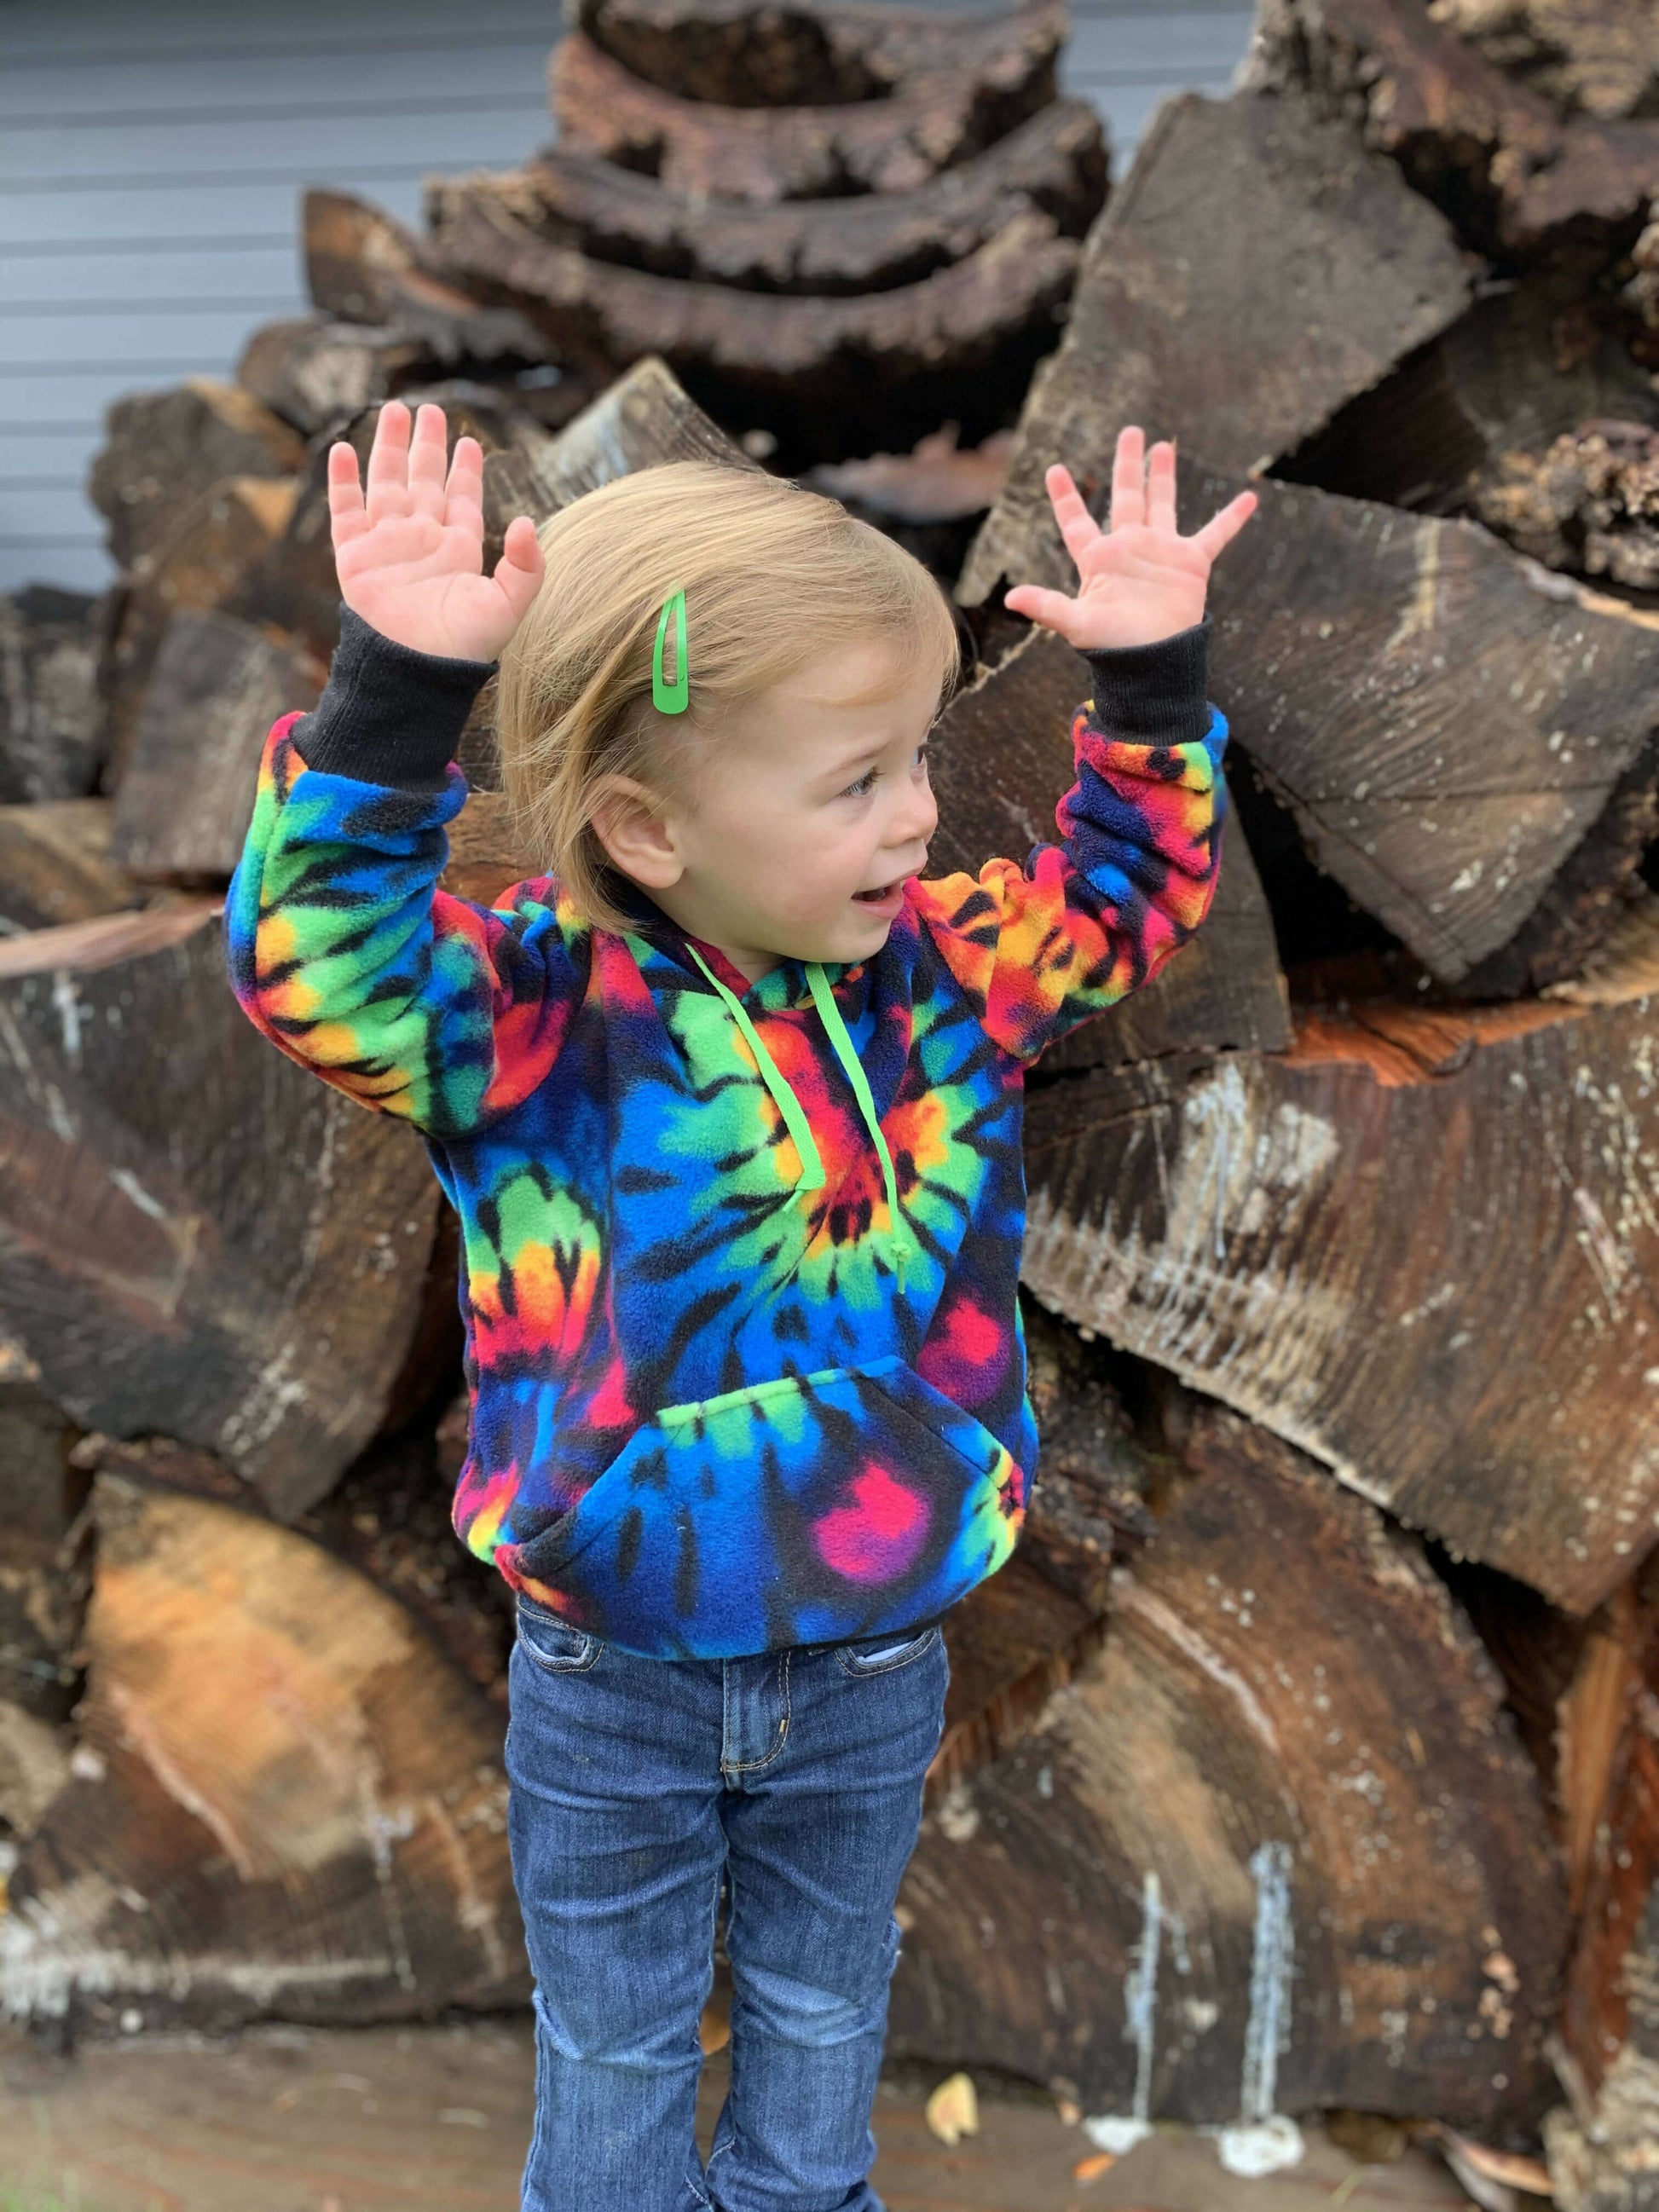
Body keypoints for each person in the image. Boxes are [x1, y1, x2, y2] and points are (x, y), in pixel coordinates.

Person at [226, 398, 1254, 2212]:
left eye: (913, 761)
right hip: (611, 1665)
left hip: (874, 1646)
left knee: (819, 2000)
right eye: (853, 781)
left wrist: (1154, 680)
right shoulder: (532, 1019)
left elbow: (1124, 896)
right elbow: (316, 965)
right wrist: (392, 697)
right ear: (646, 822)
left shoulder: (941, 972)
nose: (919, 814)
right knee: (616, 2046)